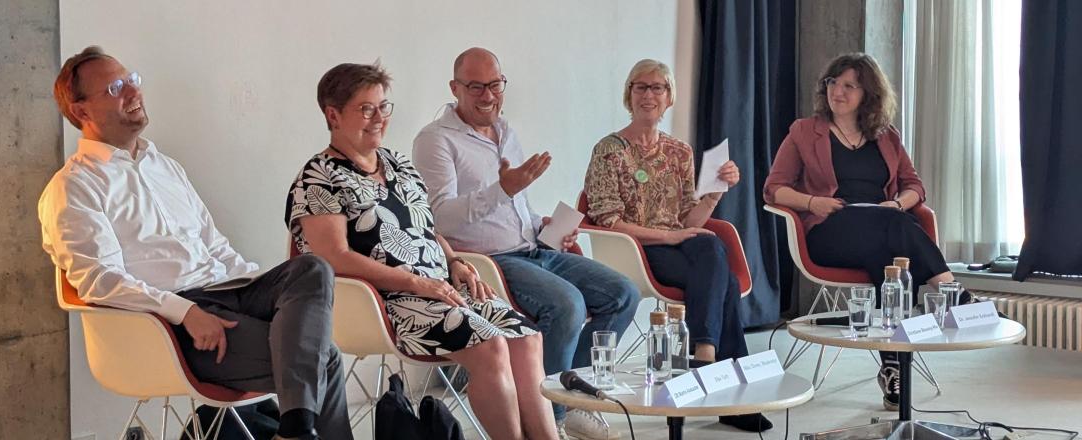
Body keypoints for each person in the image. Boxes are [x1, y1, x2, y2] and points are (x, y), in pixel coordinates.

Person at [39, 46, 350, 440]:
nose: (133, 92)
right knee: (323, 359)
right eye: (115, 88)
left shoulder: (165, 167)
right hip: (170, 328)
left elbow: (214, 245)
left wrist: (260, 289)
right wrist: (185, 312)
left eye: (132, 80)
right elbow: (100, 280)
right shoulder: (75, 186)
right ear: (81, 110)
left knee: (311, 269)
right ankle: (296, 430)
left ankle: (294, 431)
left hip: (227, 293)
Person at [286, 61, 557, 440]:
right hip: (387, 301)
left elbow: (425, 229)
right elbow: (334, 257)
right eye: (366, 109)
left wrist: (454, 260)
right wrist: (416, 283)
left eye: (383, 107)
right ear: (333, 115)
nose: (379, 118)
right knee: (490, 344)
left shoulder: (397, 164)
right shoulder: (319, 177)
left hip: (441, 288)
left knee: (526, 338)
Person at [412, 47, 641, 440]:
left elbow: (516, 206)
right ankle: (551, 420)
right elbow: (439, 218)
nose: (488, 95)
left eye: (495, 84)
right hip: (487, 261)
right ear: (454, 88)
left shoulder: (506, 131)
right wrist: (502, 189)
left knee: (623, 294)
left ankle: (570, 401)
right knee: (567, 305)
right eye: (476, 86)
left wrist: (543, 225)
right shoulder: (436, 140)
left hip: (533, 249)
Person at [764, 52, 966, 411]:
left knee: (887, 252)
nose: (837, 92)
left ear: (868, 95)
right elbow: (774, 189)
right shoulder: (804, 132)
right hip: (829, 231)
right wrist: (812, 202)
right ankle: (953, 294)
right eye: (833, 83)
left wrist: (897, 204)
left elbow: (914, 187)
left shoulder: (887, 137)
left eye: (849, 86)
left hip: (881, 231)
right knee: (893, 231)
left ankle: (892, 368)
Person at [582, 59, 772, 433]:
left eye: (658, 88)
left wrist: (715, 193)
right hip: (635, 249)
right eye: (641, 87)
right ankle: (727, 387)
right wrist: (668, 237)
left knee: (711, 247)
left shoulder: (679, 151)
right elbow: (606, 220)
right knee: (724, 280)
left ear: (669, 97)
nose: (649, 94)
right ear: (629, 95)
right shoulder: (609, 150)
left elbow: (689, 221)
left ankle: (705, 353)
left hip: (679, 244)